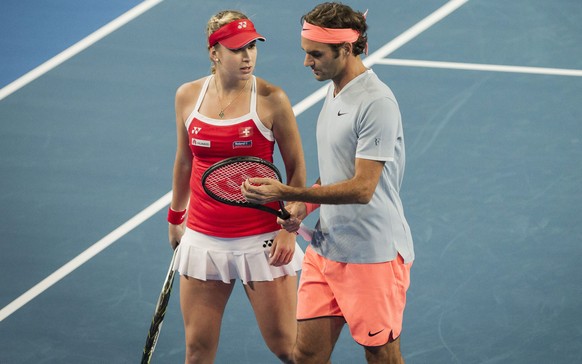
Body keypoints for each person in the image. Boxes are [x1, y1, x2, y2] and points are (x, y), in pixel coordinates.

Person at [242, 3, 414, 363]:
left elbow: (362, 189)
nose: (307, 63)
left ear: (345, 50)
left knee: (382, 355)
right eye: (307, 53)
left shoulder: (376, 103)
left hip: (372, 255)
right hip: (327, 248)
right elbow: (337, 174)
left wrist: (288, 192)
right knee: (306, 355)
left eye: (315, 54)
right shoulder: (334, 90)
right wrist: (303, 207)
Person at [167, 10, 306, 364]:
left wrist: (289, 230)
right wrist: (175, 216)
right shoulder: (187, 96)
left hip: (261, 241)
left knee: (287, 348)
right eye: (237, 49)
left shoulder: (272, 99)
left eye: (252, 47)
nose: (248, 57)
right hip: (204, 238)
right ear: (214, 52)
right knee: (197, 351)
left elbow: (297, 170)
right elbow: (185, 161)